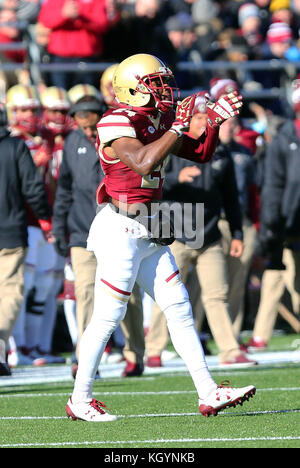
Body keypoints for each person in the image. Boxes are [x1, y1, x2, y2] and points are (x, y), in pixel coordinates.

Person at [65, 53, 256, 422]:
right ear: (134, 87)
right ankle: (80, 398)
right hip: (119, 226)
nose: (166, 91)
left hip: (151, 224)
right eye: (157, 84)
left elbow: (201, 152)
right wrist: (177, 128)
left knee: (179, 307)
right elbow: (141, 162)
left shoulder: (159, 118)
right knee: (108, 315)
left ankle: (209, 391)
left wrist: (213, 122)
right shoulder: (115, 119)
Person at [145, 93, 257, 367]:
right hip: (176, 232)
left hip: (209, 233)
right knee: (167, 294)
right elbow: (147, 178)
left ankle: (229, 349)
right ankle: (154, 350)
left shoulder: (221, 152)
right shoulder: (171, 146)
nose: (206, 122)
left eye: (208, 118)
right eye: (200, 118)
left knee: (217, 294)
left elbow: (231, 197)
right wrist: (175, 179)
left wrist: (238, 233)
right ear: (189, 119)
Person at [53, 94, 145, 377]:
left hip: (120, 226)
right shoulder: (71, 143)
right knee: (86, 293)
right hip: (82, 230)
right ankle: (85, 359)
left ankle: (134, 353)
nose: (91, 131)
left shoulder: (121, 138)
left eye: (94, 126)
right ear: (77, 121)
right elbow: (64, 188)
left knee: (128, 294)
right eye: (85, 126)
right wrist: (59, 226)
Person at [246, 77, 300, 350]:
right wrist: (269, 228)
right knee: (275, 279)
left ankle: (260, 336)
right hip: (285, 225)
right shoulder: (283, 141)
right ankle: (260, 336)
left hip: (286, 223)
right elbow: (272, 189)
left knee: (278, 280)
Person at [0, 102, 53, 376]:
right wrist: (45, 219)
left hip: (11, 230)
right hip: (10, 230)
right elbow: (32, 187)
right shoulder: (15, 146)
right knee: (9, 292)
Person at [37, 0, 118, 89]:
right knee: (60, 97)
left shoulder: (96, 2)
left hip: (86, 60)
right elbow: (45, 20)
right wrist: (63, 14)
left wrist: (80, 17)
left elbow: (103, 23)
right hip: (59, 59)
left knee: (86, 96)